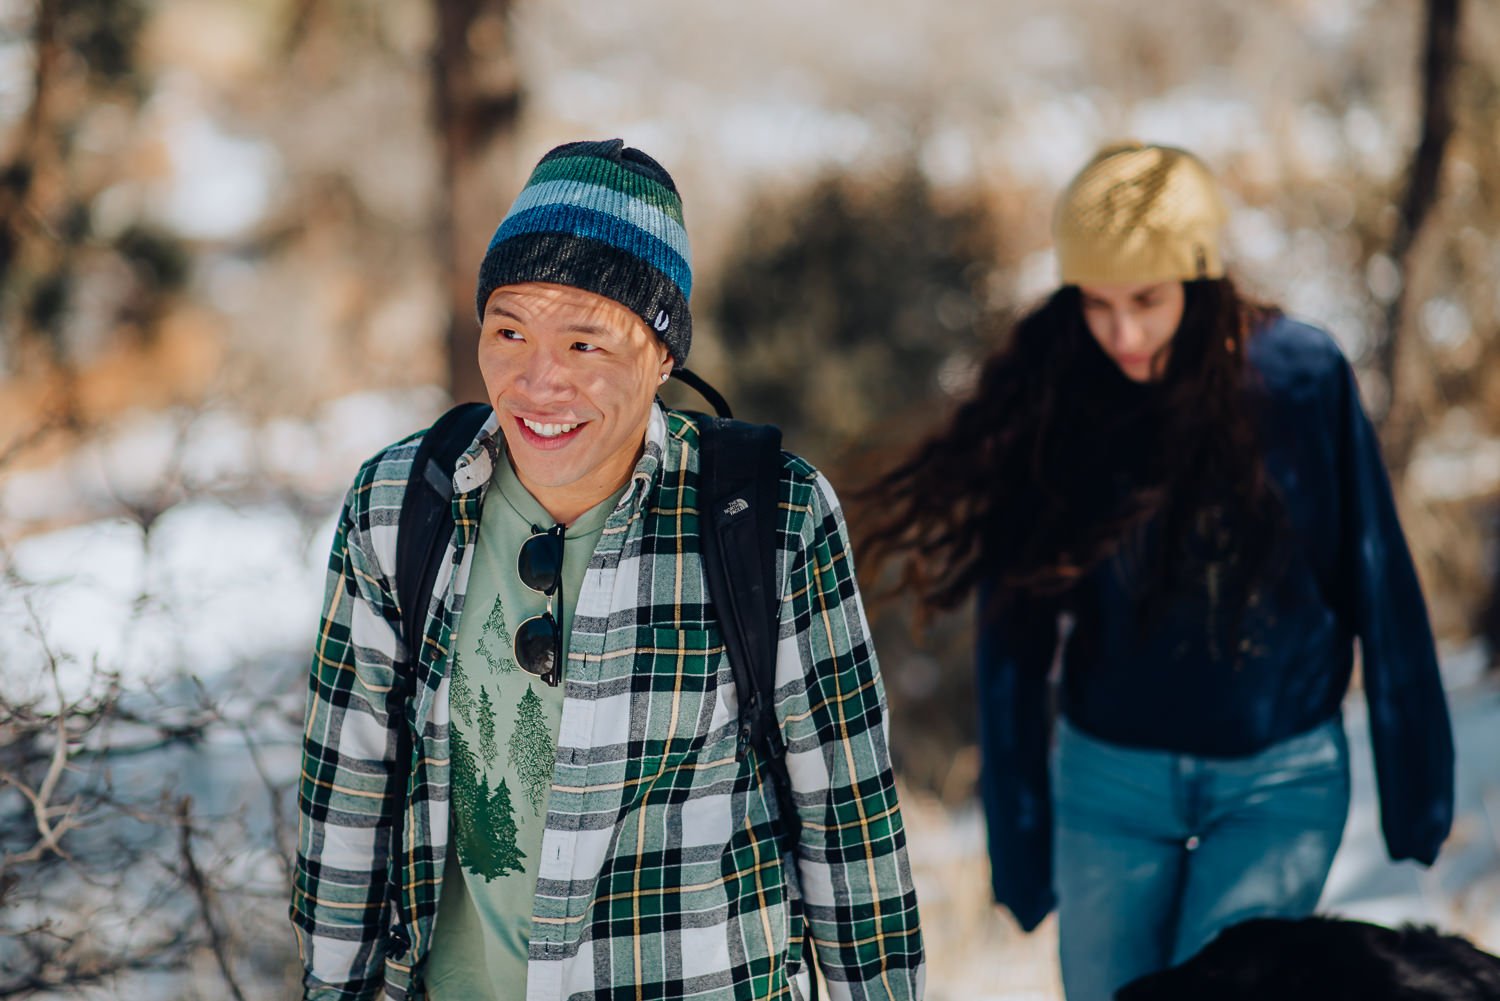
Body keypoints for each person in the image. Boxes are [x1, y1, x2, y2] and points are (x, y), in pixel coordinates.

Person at [290, 139, 925, 1001]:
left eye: (585, 344)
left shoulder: (769, 517)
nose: (537, 379)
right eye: (509, 329)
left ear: (662, 357)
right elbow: (347, 795)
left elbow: (848, 821)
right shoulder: (401, 503)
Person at [854, 142, 1454, 1001]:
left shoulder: (1299, 380)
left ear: (1202, 281)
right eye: (1096, 305)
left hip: (1276, 784)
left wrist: (1417, 785)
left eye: (1146, 300)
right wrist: (1019, 836)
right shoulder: (1064, 391)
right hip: (1112, 784)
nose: (1122, 333)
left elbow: (1377, 578)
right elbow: (1014, 630)